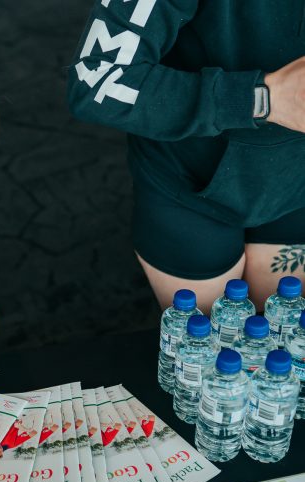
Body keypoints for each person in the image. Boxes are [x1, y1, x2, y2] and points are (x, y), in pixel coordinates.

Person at [68, 0, 305, 311]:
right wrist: (258, 98)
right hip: (189, 184)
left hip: (295, 183)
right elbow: (96, 77)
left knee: (285, 349)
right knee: (208, 352)